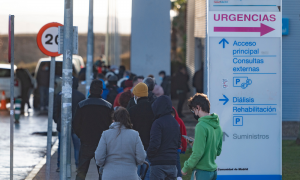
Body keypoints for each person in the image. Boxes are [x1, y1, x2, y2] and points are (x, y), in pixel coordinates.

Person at [73, 79, 114, 180]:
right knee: (102, 172)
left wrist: (82, 135)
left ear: (90, 91)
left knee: (81, 171)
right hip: (102, 143)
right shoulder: (108, 106)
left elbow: (75, 124)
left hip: (86, 142)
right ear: (101, 92)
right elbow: (112, 126)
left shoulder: (82, 105)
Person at [95, 107, 146, 180]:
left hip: (109, 175)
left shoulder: (106, 134)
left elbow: (99, 157)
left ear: (114, 120)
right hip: (130, 175)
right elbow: (141, 157)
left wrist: (103, 165)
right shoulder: (134, 134)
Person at [181, 93, 223, 180]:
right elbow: (217, 151)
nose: (194, 113)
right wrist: (196, 143)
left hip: (201, 172)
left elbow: (197, 153)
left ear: (198, 107)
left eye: (193, 110)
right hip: (213, 171)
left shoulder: (201, 126)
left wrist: (186, 167)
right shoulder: (217, 126)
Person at [53, 77, 85, 172]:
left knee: (62, 147)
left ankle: (60, 165)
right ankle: (78, 165)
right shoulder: (80, 96)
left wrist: (57, 121)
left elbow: (55, 110)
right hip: (77, 127)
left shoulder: (60, 95)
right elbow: (83, 113)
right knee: (77, 147)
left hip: (62, 126)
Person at [148, 95, 181, 180]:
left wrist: (149, 155)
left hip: (158, 163)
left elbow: (155, 144)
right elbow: (178, 143)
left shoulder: (158, 123)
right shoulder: (175, 123)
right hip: (172, 163)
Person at [128, 83, 155, 179]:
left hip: (136, 146)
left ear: (137, 95)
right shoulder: (153, 109)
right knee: (149, 172)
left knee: (136, 173)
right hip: (150, 145)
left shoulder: (131, 110)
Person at [171, 108, 187, 180]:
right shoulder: (178, 121)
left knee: (176, 162)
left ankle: (178, 176)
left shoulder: (179, 121)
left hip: (177, 147)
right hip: (174, 146)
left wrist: (184, 147)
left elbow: (183, 135)